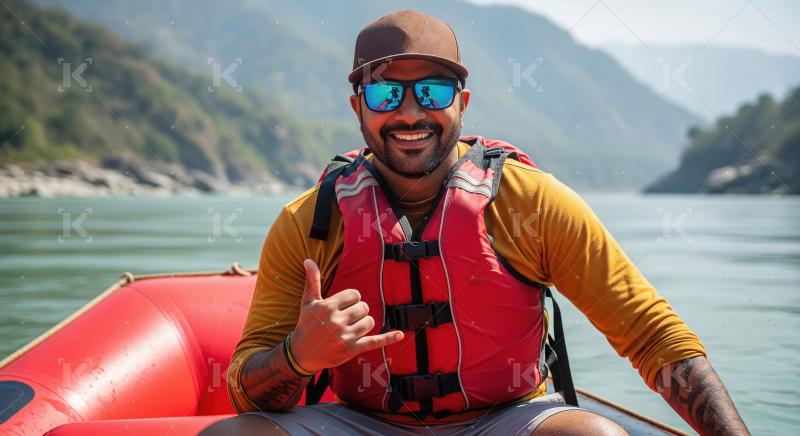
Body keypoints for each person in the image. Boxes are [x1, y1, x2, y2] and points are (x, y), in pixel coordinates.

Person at [202, 9, 749, 436]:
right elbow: (244, 392)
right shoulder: (310, 222)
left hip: (508, 420)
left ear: (462, 102)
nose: (410, 113)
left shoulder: (532, 203)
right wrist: (299, 355)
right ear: (357, 107)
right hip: (361, 423)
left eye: (433, 91)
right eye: (386, 92)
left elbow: (652, 336)